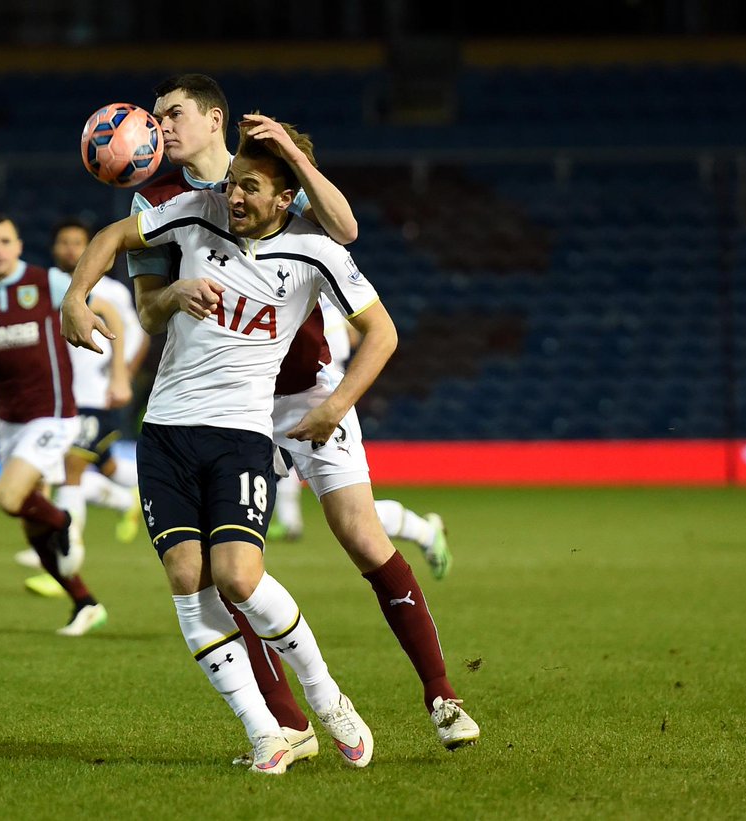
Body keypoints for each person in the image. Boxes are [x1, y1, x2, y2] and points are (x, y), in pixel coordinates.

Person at [126, 74, 479, 760]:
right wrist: (173, 292)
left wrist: (293, 149)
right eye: (156, 117)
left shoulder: (264, 177)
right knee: (228, 571)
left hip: (306, 392)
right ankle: (288, 720)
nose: (161, 125)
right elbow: (145, 312)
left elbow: (345, 229)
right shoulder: (158, 201)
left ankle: (442, 694)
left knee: (359, 532)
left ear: (213, 119)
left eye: (173, 114)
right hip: (221, 407)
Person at [63, 118, 379, 775]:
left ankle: (327, 697)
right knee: (187, 577)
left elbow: (382, 332)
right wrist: (76, 295)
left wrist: (334, 405)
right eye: (233, 183)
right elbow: (115, 235)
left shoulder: (316, 250)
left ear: (286, 194)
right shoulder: (198, 210)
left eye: (251, 187)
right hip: (167, 430)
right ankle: (266, 732)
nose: (233, 197)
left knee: (237, 575)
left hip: (240, 433)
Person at [0, 212, 131, 636]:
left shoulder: (48, 283)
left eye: (5, 241)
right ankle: (85, 603)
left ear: (19, 246)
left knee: (9, 496)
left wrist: (118, 371)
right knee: (31, 528)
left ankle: (65, 521)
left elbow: (111, 318)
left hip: (54, 412)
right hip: (9, 419)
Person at [270, 296, 453, 582]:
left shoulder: (320, 286)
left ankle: (425, 531)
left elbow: (364, 333)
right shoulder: (299, 288)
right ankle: (285, 524)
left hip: (321, 400)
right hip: (274, 398)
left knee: (356, 517)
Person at [19, 218, 148, 597]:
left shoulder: (109, 293)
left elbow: (134, 335)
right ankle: (133, 496)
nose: (72, 249)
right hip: (61, 399)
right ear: (55, 247)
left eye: (79, 242)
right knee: (101, 467)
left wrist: (121, 378)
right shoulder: (49, 288)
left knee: (70, 468)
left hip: (96, 395)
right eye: (65, 242)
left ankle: (65, 558)